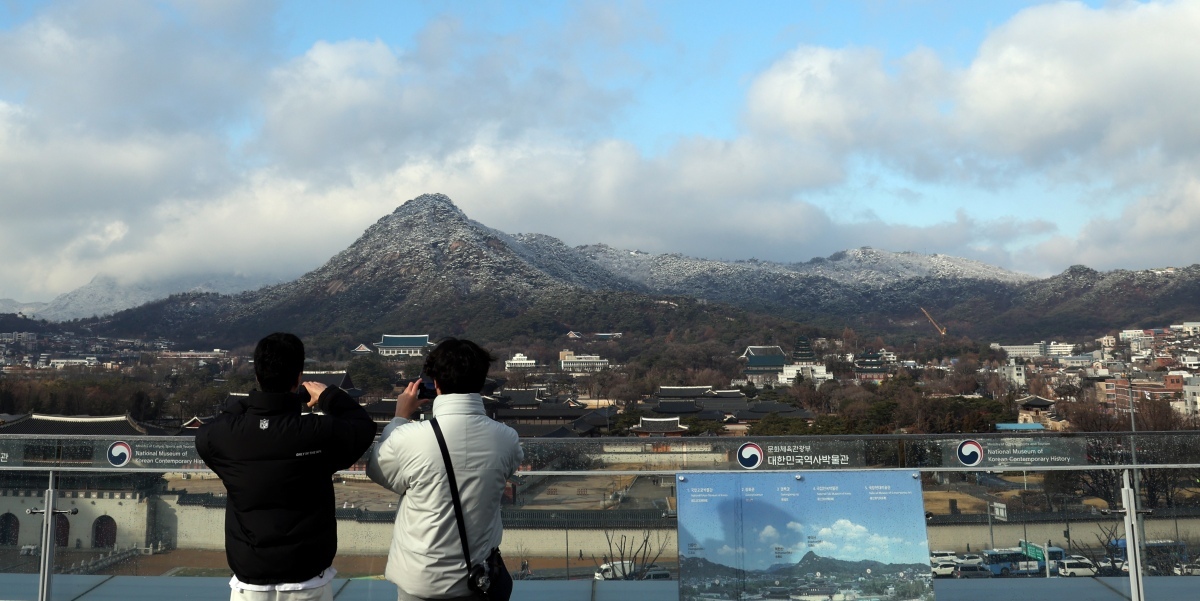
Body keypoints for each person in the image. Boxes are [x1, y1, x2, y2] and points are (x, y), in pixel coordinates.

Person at [195, 332, 376, 601]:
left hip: (249, 580)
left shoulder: (222, 436)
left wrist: (258, 401)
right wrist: (328, 396)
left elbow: (217, 424)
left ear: (257, 376)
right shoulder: (317, 432)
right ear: (299, 377)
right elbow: (362, 427)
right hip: (307, 578)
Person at [368, 338, 523, 601]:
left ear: (435, 383)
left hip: (420, 581)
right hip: (479, 578)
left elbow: (378, 471)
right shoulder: (507, 439)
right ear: (482, 381)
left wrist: (399, 418)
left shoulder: (409, 437)